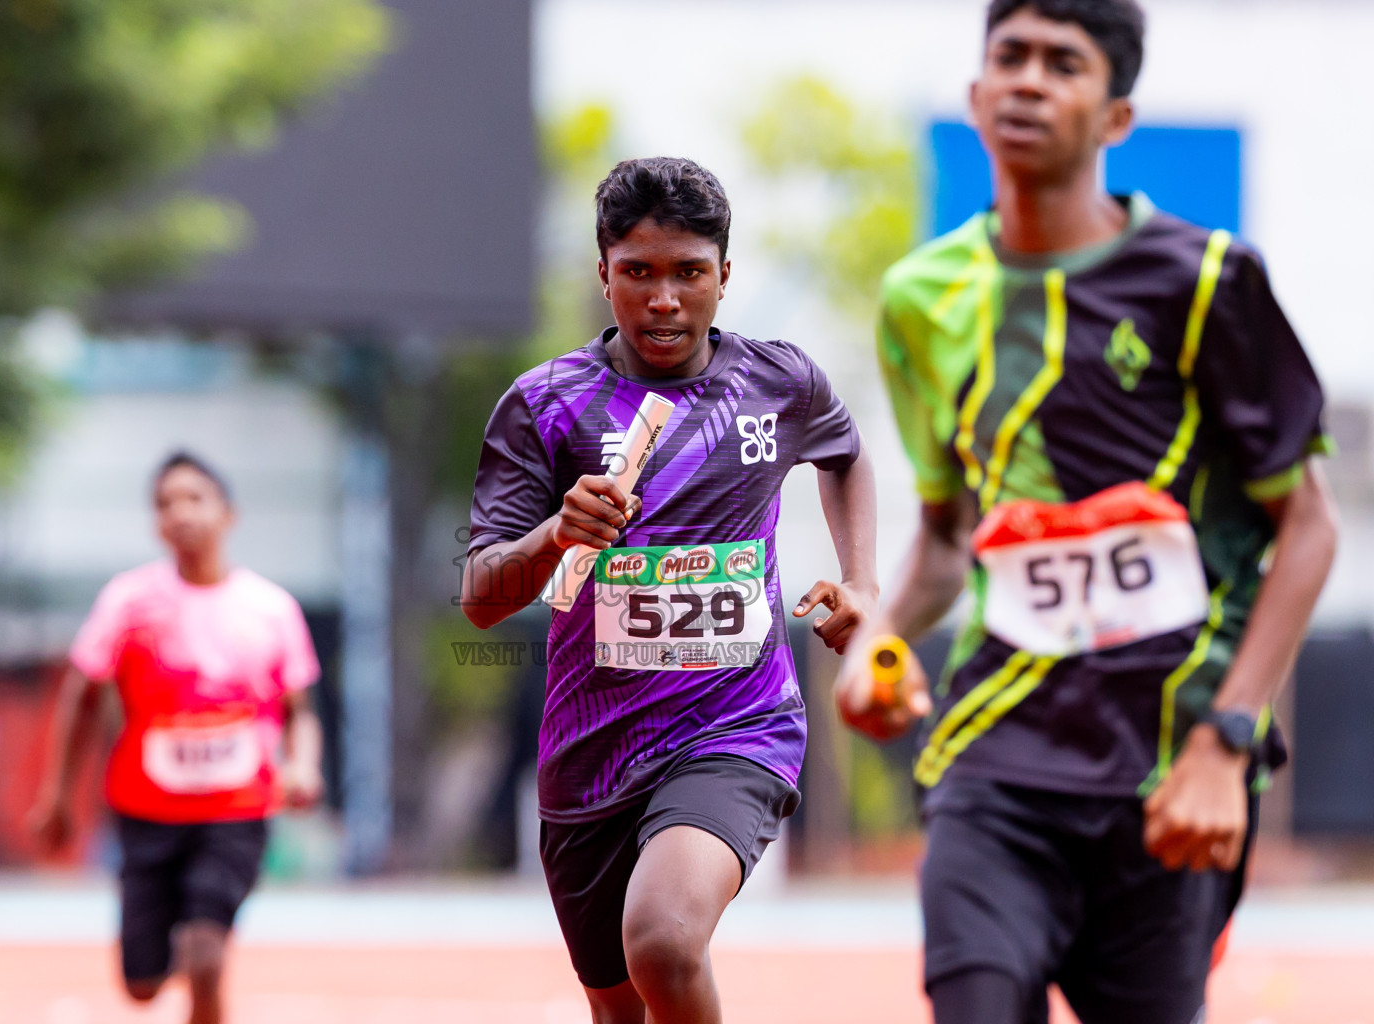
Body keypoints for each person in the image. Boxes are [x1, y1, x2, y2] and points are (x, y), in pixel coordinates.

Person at [833, 2, 1340, 1022]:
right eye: (1010, 57)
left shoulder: (1207, 282)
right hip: (997, 751)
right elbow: (948, 534)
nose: (1028, 80)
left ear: (1116, 117)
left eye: (1063, 64)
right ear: (977, 94)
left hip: (1167, 767)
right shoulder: (922, 299)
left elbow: (1309, 528)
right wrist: (877, 640)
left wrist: (1225, 741)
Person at [464, 156, 878, 1024]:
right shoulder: (546, 404)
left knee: (662, 941)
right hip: (592, 752)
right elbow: (482, 599)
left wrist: (862, 582)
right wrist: (556, 533)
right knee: (621, 1008)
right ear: (603, 273)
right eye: (639, 272)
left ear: (724, 276)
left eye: (688, 272)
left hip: (737, 724)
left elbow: (843, 455)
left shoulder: (779, 383)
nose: (664, 299)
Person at [28, 452, 323, 1024]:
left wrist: (303, 765)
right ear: (156, 523)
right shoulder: (127, 602)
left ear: (228, 514)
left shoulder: (271, 608)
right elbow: (80, 701)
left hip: (236, 811)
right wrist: (57, 796)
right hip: (146, 810)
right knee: (141, 984)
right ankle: (169, 962)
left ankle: (204, 979)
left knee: (206, 953)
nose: (180, 513)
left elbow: (299, 711)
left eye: (194, 499)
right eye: (165, 503)